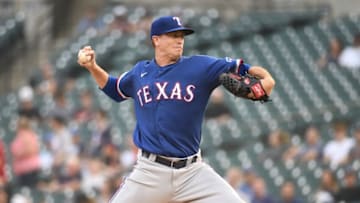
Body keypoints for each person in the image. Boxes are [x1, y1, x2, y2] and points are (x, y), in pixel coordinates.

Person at [78, 15, 275, 203]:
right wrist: (93, 67)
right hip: (150, 172)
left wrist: (265, 80)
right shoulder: (140, 72)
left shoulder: (201, 66)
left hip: (192, 172)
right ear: (156, 40)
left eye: (181, 36)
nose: (179, 40)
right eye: (173, 36)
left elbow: (245, 70)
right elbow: (114, 89)